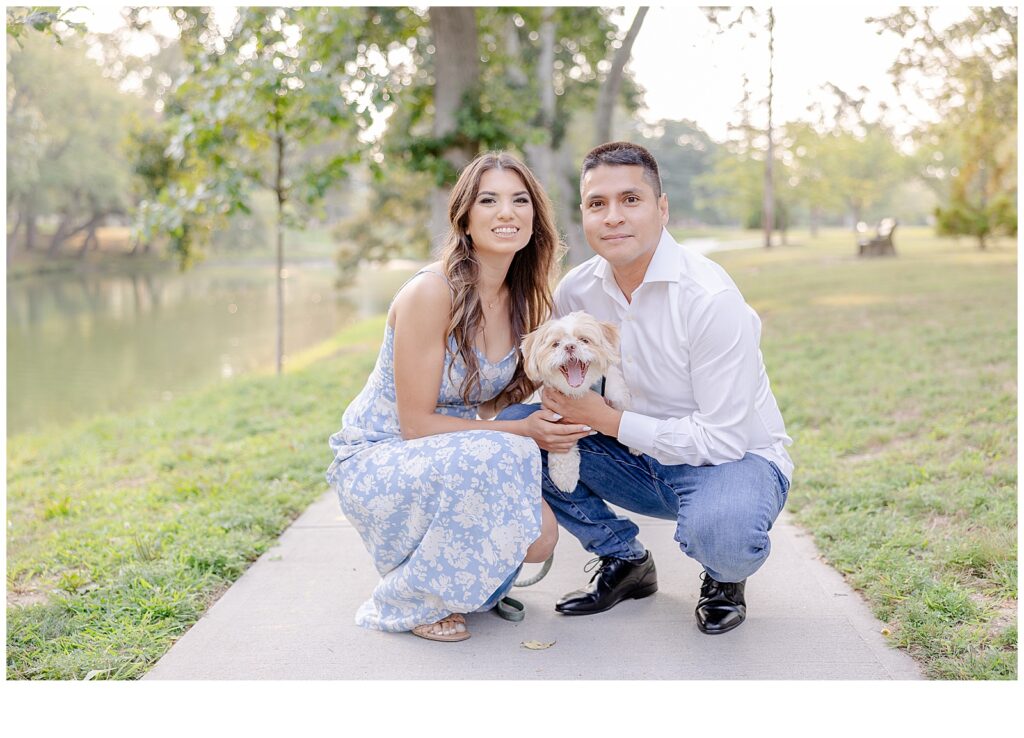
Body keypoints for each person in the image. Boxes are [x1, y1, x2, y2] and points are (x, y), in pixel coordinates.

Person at [498, 141, 793, 634]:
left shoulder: (710, 299)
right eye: (597, 204)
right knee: (515, 435)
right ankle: (624, 559)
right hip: (632, 459)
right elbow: (557, 366)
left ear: (662, 208)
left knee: (725, 535)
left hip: (729, 461)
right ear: (585, 216)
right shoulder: (577, 290)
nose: (613, 217)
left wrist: (605, 420)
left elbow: (724, 439)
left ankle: (723, 577)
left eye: (630, 200)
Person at [325, 152, 590, 642]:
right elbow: (415, 426)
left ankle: (455, 579)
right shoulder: (432, 292)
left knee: (539, 536)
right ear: (465, 218)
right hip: (383, 456)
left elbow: (515, 391)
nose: (506, 212)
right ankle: (410, 600)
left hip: (457, 450)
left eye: (519, 200)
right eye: (489, 200)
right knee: (509, 450)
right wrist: (522, 430)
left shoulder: (528, 297)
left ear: (535, 217)